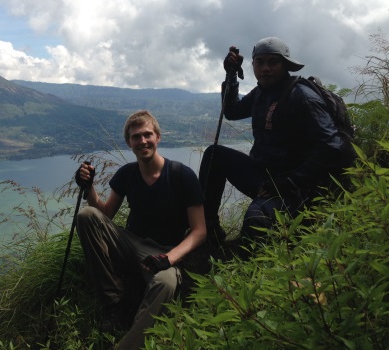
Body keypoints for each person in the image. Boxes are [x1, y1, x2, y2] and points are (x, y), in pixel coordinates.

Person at [199, 37, 356, 260]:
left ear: (285, 65)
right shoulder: (262, 92)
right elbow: (232, 111)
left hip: (297, 187)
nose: (265, 68)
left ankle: (246, 269)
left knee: (257, 219)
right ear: (252, 65)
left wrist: (291, 181)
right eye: (260, 62)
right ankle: (209, 232)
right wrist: (232, 73)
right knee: (215, 155)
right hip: (265, 177)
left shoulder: (301, 95)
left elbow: (333, 147)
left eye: (273, 62)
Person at [75, 110, 207, 349]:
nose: (142, 141)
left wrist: (168, 259)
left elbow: (199, 231)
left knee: (166, 284)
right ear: (129, 143)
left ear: (158, 137)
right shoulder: (127, 173)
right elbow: (104, 215)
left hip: (165, 251)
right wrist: (88, 187)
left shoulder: (181, 175)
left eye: (147, 135)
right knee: (86, 215)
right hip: (131, 242)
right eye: (136, 137)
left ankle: (128, 344)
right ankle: (113, 303)